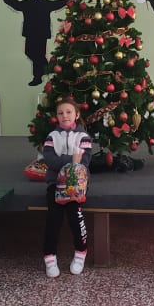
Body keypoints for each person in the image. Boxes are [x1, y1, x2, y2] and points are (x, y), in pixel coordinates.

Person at [42, 99, 92, 277]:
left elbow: (84, 162)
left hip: (76, 185)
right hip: (55, 184)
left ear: (77, 114)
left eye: (69, 112)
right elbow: (50, 161)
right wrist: (71, 159)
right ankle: (50, 258)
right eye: (60, 113)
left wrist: (66, 160)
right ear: (56, 116)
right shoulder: (52, 137)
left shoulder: (83, 137)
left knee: (75, 217)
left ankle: (80, 253)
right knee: (53, 219)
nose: (65, 116)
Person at [0, 0, 68, 86]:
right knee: (33, 53)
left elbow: (11, 1)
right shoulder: (43, 4)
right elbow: (59, 3)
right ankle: (47, 68)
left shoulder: (28, 3)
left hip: (35, 34)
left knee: (36, 54)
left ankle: (38, 76)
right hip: (38, 34)